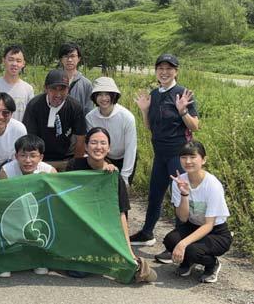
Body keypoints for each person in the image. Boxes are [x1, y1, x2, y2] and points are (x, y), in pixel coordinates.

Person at [130, 54, 199, 263]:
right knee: (155, 194)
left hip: (178, 155)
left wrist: (183, 110)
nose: (164, 72)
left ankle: (177, 244)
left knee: (179, 197)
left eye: (169, 68)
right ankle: (147, 233)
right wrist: (144, 110)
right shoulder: (155, 93)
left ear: (176, 71)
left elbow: (195, 126)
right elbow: (150, 126)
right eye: (160, 68)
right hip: (159, 154)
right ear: (156, 71)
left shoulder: (182, 93)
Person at [65, 127, 156, 283]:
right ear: (86, 147)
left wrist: (129, 252)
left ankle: (113, 257)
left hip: (105, 230)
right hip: (80, 229)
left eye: (103, 143)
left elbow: (122, 214)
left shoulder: (113, 176)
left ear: (109, 148)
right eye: (93, 142)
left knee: (132, 270)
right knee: (77, 272)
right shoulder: (74, 166)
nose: (98, 147)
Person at [163, 141, 232, 283]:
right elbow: (183, 218)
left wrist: (183, 244)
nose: (188, 161)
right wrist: (184, 194)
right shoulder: (179, 180)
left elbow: (208, 225)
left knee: (191, 249)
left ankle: (212, 265)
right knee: (170, 241)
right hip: (192, 225)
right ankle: (187, 262)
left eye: (193, 157)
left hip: (216, 232)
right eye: (183, 157)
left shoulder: (213, 185)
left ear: (203, 160)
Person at [0, 134, 56, 278]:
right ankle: (6, 261)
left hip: (39, 214)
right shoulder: (6, 171)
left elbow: (54, 203)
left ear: (41, 157)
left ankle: (40, 258)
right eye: (23, 155)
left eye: (33, 156)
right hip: (15, 212)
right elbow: (1, 201)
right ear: (16, 156)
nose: (28, 160)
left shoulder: (49, 171)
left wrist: (45, 181)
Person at [22, 69, 86, 171]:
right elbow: (30, 139)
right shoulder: (34, 105)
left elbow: (80, 140)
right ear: (46, 88)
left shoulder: (75, 107)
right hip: (41, 159)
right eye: (53, 89)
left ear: (68, 90)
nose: (58, 94)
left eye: (62, 89)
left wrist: (75, 167)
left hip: (67, 158)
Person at [85, 77, 137, 187]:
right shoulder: (90, 117)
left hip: (124, 157)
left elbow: (130, 148)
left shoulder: (127, 117)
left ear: (113, 95)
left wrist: (125, 176)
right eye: (99, 94)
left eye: (107, 94)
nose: (103, 98)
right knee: (104, 189)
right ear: (95, 97)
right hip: (103, 157)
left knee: (122, 190)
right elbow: (92, 145)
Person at [0, 45, 34, 121]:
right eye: (11, 60)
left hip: (21, 132)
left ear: (23, 64)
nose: (14, 64)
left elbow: (31, 115)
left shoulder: (28, 89)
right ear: (4, 61)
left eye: (18, 61)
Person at [58, 42, 93, 116]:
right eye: (66, 56)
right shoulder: (54, 81)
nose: (69, 60)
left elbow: (88, 111)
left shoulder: (86, 84)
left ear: (79, 58)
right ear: (61, 59)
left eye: (73, 56)